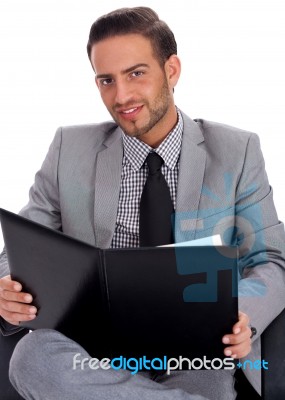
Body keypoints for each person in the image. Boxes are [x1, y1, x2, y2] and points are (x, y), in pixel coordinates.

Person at [0, 6, 284, 400]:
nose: (122, 96)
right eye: (106, 80)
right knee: (31, 356)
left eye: (136, 73)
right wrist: (5, 285)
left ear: (171, 70)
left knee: (210, 382)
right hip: (91, 350)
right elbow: (19, 248)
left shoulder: (236, 151)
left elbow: (271, 258)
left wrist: (244, 318)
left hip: (193, 351)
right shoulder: (69, 149)